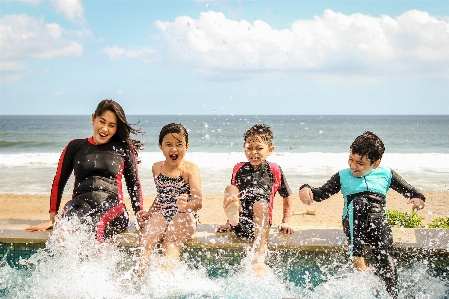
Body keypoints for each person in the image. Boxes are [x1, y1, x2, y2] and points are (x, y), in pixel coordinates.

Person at [299, 131, 426, 298]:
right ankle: (358, 258)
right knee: (360, 203)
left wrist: (418, 199)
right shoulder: (343, 175)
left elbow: (411, 191)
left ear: (375, 163)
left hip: (377, 223)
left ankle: (393, 293)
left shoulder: (386, 174)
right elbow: (321, 193)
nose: (353, 166)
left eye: (360, 163)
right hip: (352, 222)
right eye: (351, 159)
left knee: (386, 255)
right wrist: (306, 188)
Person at [26, 99, 144, 243]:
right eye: (102, 121)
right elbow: (59, 182)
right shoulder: (75, 146)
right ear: (93, 118)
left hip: (113, 208)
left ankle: (97, 266)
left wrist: (139, 215)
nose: (105, 129)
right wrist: (52, 218)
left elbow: (134, 185)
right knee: (65, 228)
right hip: (79, 205)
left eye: (111, 125)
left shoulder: (123, 150)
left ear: (116, 128)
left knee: (97, 227)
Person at [217, 124, 294, 275]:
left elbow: (287, 196)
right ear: (244, 148)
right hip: (241, 223)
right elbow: (235, 197)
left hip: (261, 226)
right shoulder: (238, 168)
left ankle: (259, 256)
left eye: (259, 148)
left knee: (260, 204)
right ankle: (232, 221)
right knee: (230, 190)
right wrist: (227, 223)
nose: (253, 153)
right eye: (249, 148)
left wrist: (286, 221)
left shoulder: (274, 169)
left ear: (270, 150)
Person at [137, 123, 202, 271]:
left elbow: (198, 202)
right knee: (146, 239)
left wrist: (187, 205)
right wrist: (149, 213)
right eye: (168, 144)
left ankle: (168, 278)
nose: (174, 149)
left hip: (184, 214)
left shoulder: (190, 169)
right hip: (161, 212)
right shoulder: (156, 168)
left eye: (179, 144)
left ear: (187, 146)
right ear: (160, 146)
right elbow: (161, 195)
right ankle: (140, 278)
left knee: (170, 242)